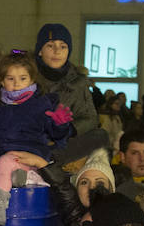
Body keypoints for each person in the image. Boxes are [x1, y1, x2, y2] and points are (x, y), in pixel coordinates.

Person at [0, 51, 75, 223]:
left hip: (24, 157)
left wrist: (60, 125)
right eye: (10, 79)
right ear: (1, 80)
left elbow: (56, 134)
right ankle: (10, 179)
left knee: (6, 161)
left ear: (32, 79)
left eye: (22, 78)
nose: (17, 84)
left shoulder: (41, 103)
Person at [32, 23, 103, 159]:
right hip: (29, 141)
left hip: (62, 144)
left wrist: (69, 130)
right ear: (40, 50)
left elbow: (91, 118)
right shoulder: (24, 76)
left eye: (63, 46)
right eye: (50, 46)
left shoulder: (78, 82)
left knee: (101, 136)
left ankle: (53, 167)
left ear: (68, 51)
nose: (57, 51)